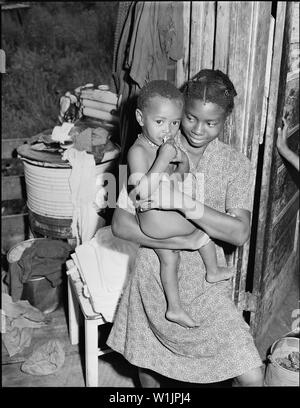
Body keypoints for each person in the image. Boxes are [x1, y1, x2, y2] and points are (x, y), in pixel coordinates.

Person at [107, 69, 264, 387]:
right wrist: (182, 242)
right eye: (190, 118)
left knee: (251, 372)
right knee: (149, 365)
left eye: (212, 123)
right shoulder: (156, 140)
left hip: (207, 284)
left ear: (225, 121)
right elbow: (120, 223)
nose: (197, 130)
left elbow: (239, 232)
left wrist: (181, 201)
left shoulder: (236, 165)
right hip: (157, 275)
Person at [127, 80, 234, 328]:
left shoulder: (163, 145)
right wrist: (164, 159)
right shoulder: (138, 151)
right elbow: (141, 193)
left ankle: (174, 308)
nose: (168, 129)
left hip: (159, 218)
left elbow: (178, 177)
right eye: (160, 122)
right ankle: (213, 270)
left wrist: (182, 161)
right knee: (202, 226)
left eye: (174, 123)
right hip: (154, 219)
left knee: (170, 260)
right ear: (141, 118)